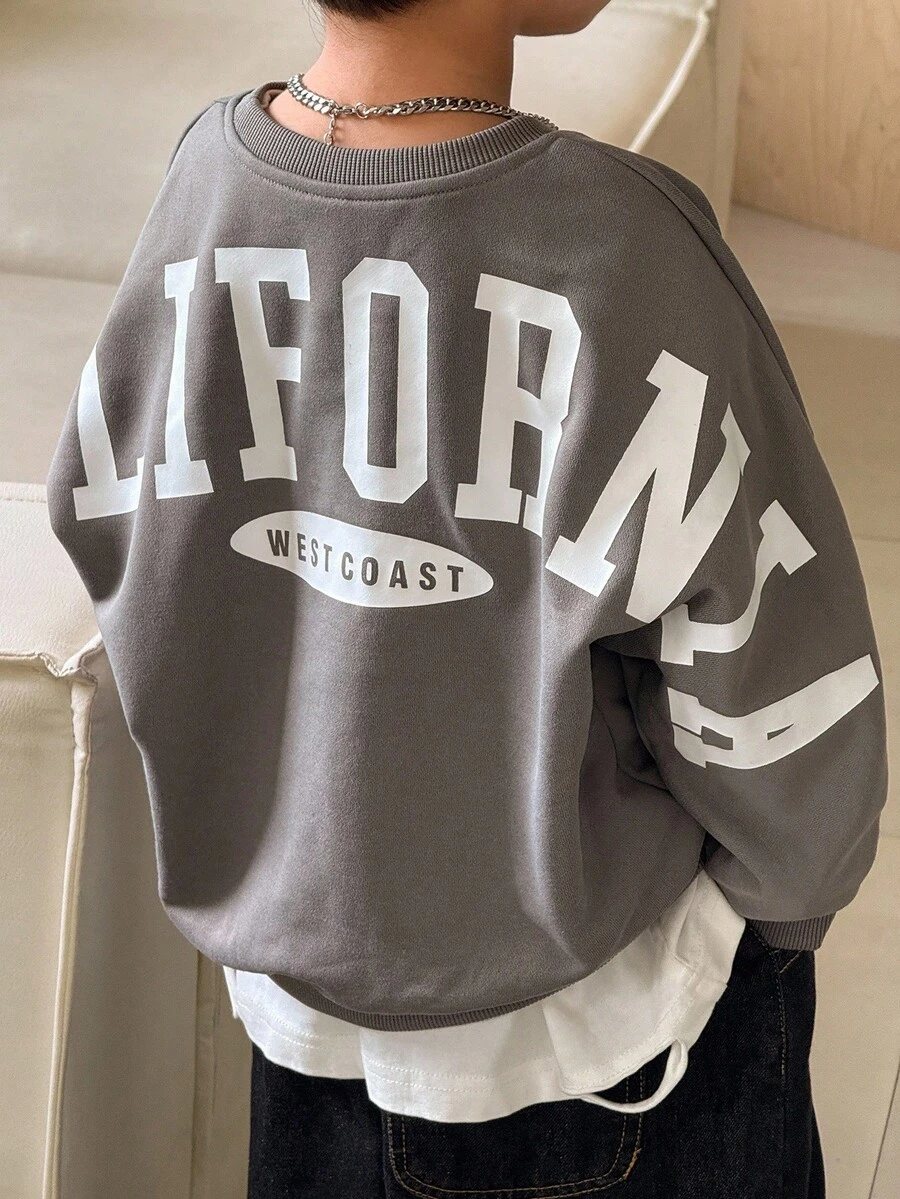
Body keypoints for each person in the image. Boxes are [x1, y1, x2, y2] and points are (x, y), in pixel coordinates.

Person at [45, 0, 889, 1195]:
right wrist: (784, 906)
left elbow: (128, 547)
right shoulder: (625, 248)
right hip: (613, 1053)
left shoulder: (202, 194)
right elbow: (775, 668)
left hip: (300, 1042)